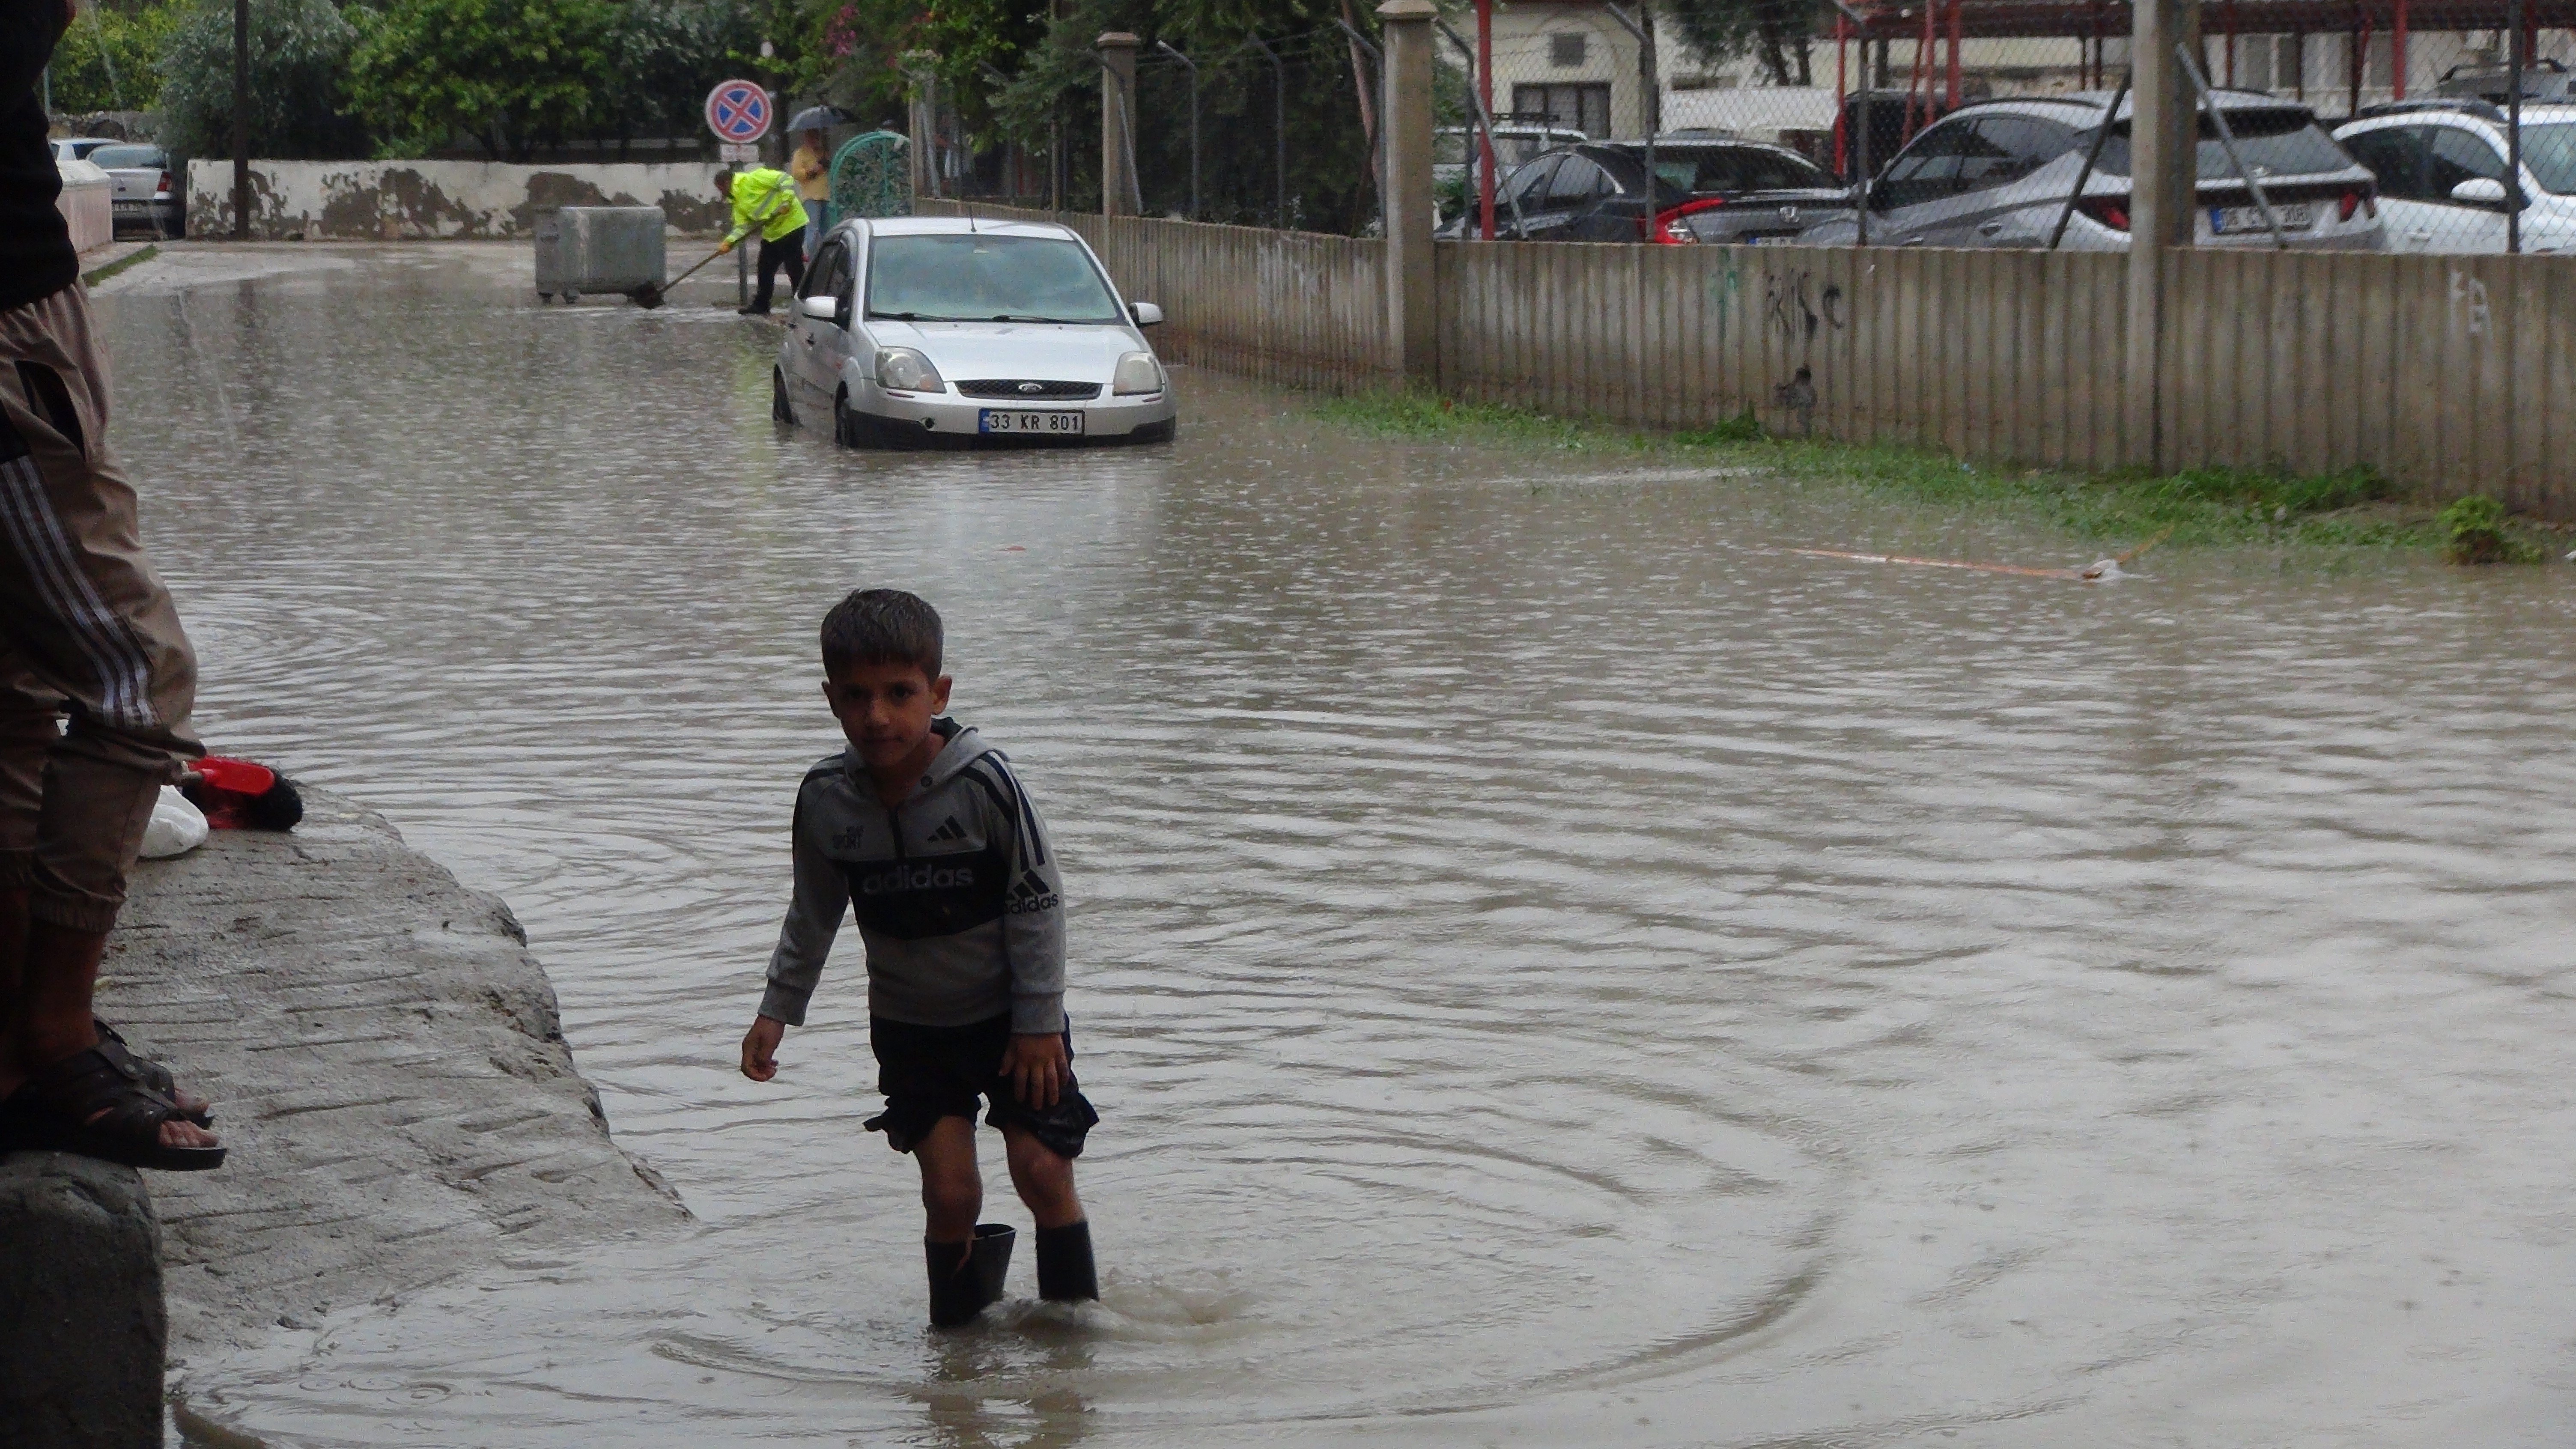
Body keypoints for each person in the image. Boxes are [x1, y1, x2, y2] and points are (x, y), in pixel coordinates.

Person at [739, 589, 1100, 1328]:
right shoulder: (825, 801)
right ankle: (958, 1353)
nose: (877, 715)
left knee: (1042, 1169)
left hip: (1010, 1021)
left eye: (899, 693)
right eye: (856, 696)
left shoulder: (985, 785)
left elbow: (1039, 903)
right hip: (913, 1027)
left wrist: (1037, 1022)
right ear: (830, 699)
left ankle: (1076, 1340)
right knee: (950, 1193)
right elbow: (813, 911)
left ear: (936, 693)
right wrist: (778, 1009)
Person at [0, 0, 221, 1171]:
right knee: (138, 678)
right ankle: (49, 1031)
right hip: (7, 326)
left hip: (27, 304)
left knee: (17, 691)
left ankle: (22, 1047)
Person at [715, 165, 808, 316]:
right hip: (772, 233)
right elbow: (742, 227)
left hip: (792, 225)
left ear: (726, 183)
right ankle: (762, 305)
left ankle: (803, 306)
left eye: (720, 189)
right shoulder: (737, 202)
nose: (721, 194)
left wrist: (786, 201)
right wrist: (729, 242)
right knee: (765, 268)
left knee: (794, 268)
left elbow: (785, 179)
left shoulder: (754, 178)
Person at [790, 127, 833, 266]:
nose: (814, 139)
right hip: (811, 196)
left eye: (816, 136)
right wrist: (812, 171)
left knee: (828, 230)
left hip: (826, 195)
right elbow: (797, 174)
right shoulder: (801, 154)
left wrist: (826, 162)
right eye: (811, 137)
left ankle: (828, 258)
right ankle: (813, 260)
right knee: (813, 231)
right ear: (806, 138)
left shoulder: (823, 152)